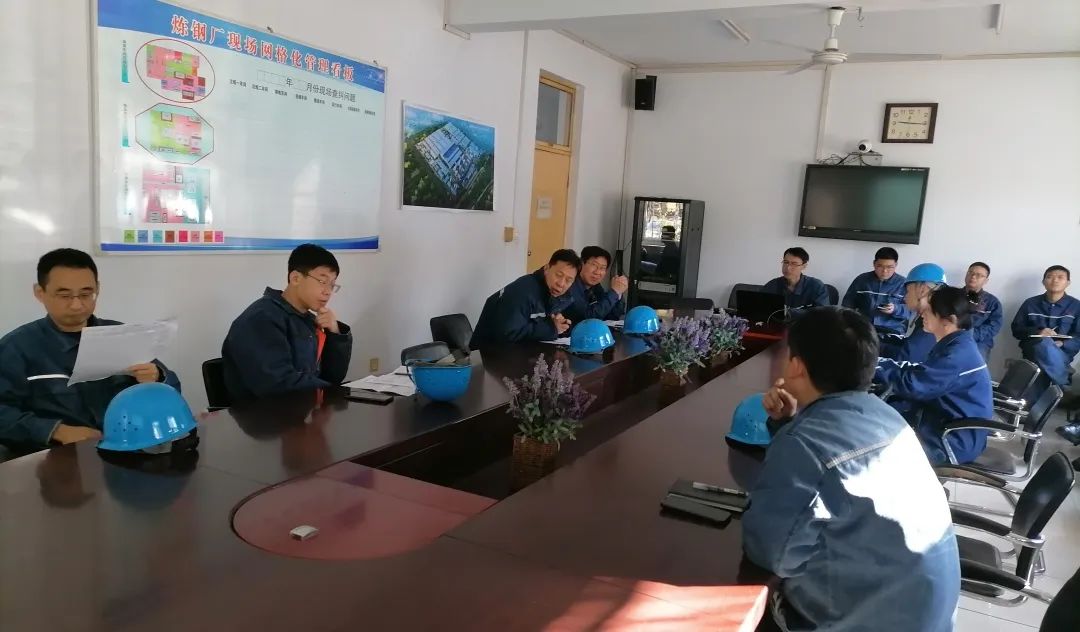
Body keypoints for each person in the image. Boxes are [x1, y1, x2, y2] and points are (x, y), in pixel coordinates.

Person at [743, 307, 959, 632]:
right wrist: (787, 423)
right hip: (926, 615)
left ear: (797, 366)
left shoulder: (805, 444)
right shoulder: (887, 415)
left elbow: (773, 555)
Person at [0, 249, 180, 453]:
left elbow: (172, 390)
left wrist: (157, 377)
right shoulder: (16, 347)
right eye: (64, 295)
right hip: (56, 457)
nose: (77, 305)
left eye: (86, 294)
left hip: (127, 449)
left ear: (98, 289)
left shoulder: (122, 336)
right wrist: (56, 431)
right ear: (40, 292)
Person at [876, 286, 994, 465]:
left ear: (948, 321)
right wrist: (878, 364)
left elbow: (914, 385)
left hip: (950, 440)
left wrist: (872, 368)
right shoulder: (956, 343)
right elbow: (920, 372)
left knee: (875, 451)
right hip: (940, 424)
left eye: (929, 311)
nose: (923, 313)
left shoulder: (957, 355)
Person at [222, 243, 352, 403]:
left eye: (332, 284)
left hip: (303, 410)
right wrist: (334, 392)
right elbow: (278, 385)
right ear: (295, 278)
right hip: (264, 415)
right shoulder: (261, 319)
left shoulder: (308, 320)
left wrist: (335, 333)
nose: (328, 291)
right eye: (322, 281)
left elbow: (332, 377)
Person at [470, 249, 581, 349]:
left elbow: (539, 325)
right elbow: (508, 333)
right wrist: (552, 328)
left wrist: (561, 327)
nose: (561, 284)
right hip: (488, 355)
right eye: (559, 275)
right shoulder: (524, 290)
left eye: (568, 280)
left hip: (516, 353)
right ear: (547, 268)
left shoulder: (559, 296)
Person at [1011, 265, 1080, 387]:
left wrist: (1062, 343)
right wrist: (1038, 332)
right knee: (1043, 343)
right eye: (1050, 277)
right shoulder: (1030, 303)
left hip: (1062, 353)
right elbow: (1016, 329)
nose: (1055, 280)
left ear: (1068, 283)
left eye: (1060, 277)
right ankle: (1063, 382)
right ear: (1043, 282)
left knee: (1039, 373)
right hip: (1032, 350)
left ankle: (1057, 382)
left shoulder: (1076, 306)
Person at [879, 263, 946, 363]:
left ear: (922, 290)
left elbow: (906, 357)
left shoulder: (933, 322)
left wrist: (872, 347)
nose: (905, 297)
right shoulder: (932, 314)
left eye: (907, 291)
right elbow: (909, 344)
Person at [841, 246, 910, 336]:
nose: (885, 271)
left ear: (896, 265)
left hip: (892, 330)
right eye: (880, 266)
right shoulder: (862, 280)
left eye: (890, 267)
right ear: (874, 263)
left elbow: (911, 311)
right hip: (865, 328)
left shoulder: (904, 284)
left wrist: (895, 309)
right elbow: (847, 305)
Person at [564, 246, 628, 323]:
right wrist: (614, 292)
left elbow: (612, 316)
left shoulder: (596, 287)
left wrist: (618, 293)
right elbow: (588, 318)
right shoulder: (570, 285)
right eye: (594, 265)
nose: (597, 272)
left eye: (602, 268)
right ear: (581, 264)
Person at [761, 247, 830, 312]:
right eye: (786, 262)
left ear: (804, 266)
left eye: (794, 264)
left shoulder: (816, 286)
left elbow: (822, 314)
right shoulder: (772, 285)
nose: (788, 268)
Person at [965, 262, 1003, 362]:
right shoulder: (953, 296)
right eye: (970, 273)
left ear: (986, 280)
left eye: (979, 275)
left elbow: (994, 326)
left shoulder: (992, 302)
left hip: (979, 341)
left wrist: (972, 334)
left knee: (977, 361)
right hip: (951, 336)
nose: (973, 277)